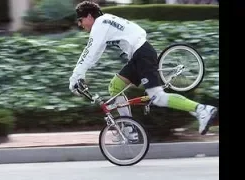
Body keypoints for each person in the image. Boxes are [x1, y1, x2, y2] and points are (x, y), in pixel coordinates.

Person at [68, 1, 218, 136]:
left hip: (142, 55)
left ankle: (201, 109)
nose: (81, 25)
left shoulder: (100, 23)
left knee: (157, 97)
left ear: (88, 16)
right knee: (115, 86)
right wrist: (81, 74)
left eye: (80, 20)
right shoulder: (107, 21)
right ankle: (129, 129)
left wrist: (76, 76)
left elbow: (90, 50)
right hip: (139, 54)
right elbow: (95, 53)